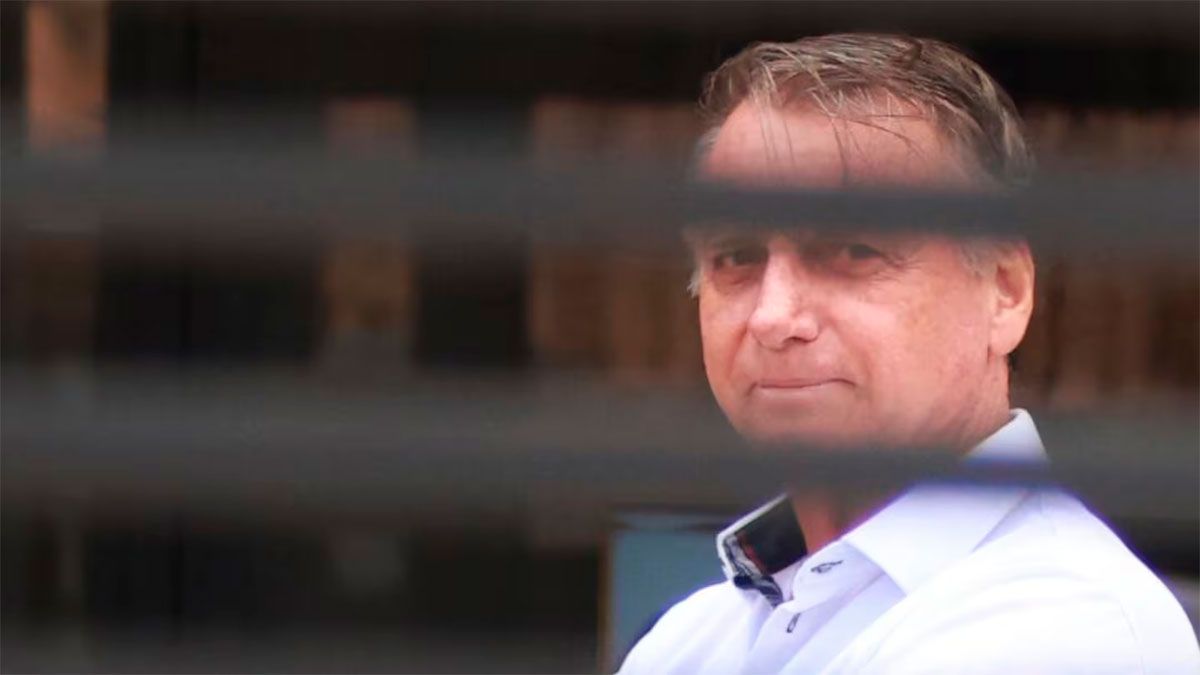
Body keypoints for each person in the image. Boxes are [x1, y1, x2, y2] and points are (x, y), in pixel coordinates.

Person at [618, 33, 1199, 674]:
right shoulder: (689, 640)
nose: (773, 317)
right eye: (736, 256)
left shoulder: (1069, 626)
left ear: (1004, 291)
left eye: (854, 251)